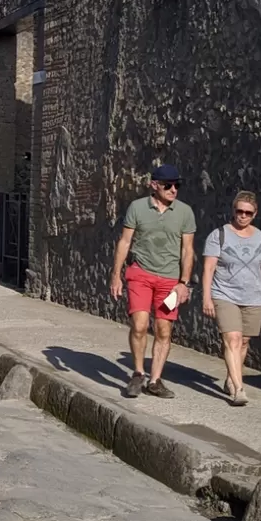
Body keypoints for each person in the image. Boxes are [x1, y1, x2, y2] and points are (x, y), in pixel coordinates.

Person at [109, 163, 196, 399]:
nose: (173, 190)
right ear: (154, 185)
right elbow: (125, 242)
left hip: (169, 281)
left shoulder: (185, 212)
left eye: (177, 185)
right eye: (168, 185)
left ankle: (155, 380)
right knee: (139, 324)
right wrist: (116, 275)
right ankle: (138, 373)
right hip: (140, 275)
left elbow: (188, 250)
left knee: (163, 330)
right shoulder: (137, 208)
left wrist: (184, 283)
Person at [202, 191, 261, 405]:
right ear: (233, 211)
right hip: (224, 294)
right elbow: (209, 268)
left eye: (248, 213)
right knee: (233, 339)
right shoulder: (218, 235)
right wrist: (207, 297)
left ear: (255, 214)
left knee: (244, 341)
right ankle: (239, 389)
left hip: (254, 297)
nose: (243, 216)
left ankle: (230, 378)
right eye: (239, 211)